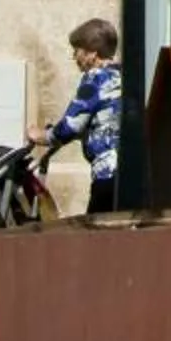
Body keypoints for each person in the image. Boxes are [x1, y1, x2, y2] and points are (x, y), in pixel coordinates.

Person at [32, 17, 125, 212]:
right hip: (131, 175)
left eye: (77, 51)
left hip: (107, 174)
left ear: (92, 53)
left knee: (96, 237)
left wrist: (40, 135)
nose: (75, 58)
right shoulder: (123, 76)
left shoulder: (95, 78)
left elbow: (70, 126)